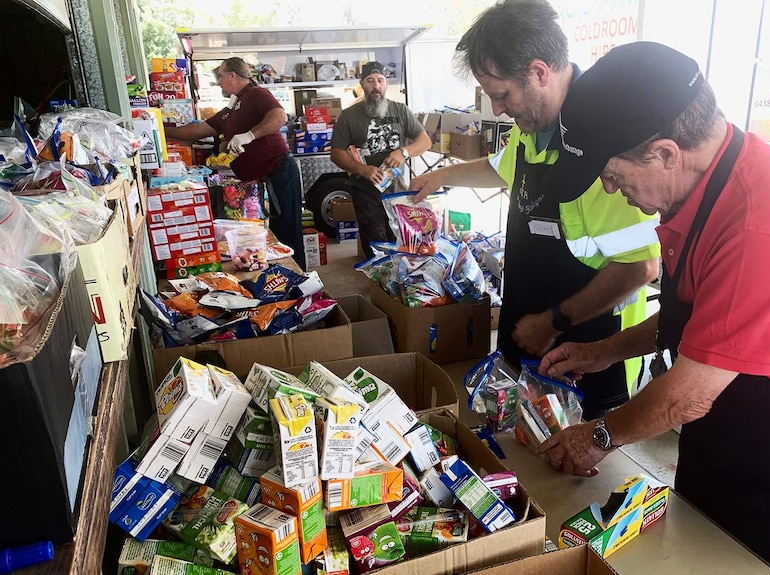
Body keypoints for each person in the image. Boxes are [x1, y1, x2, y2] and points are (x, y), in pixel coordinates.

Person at [536, 41, 770, 574]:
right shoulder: (705, 185)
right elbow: (698, 322)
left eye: (614, 175)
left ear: (665, 153)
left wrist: (598, 436)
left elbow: (684, 398)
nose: (609, 189)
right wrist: (605, 351)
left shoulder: (763, 226)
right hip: (730, 413)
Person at [410, 0, 660, 418]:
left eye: (502, 95)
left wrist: (553, 322)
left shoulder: (603, 146)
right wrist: (441, 176)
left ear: (540, 73)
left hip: (586, 361)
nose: (497, 110)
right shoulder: (535, 128)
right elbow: (499, 167)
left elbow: (640, 267)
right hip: (527, 341)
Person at [164, 57, 305, 269]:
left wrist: (249, 135)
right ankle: (277, 277)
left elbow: (279, 116)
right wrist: (160, 127)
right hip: (259, 180)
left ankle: (299, 282)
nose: (218, 82)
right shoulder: (231, 107)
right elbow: (196, 131)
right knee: (269, 236)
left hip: (279, 172)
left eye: (220, 76)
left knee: (286, 231)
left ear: (232, 76)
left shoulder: (255, 94)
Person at [330, 61, 432, 258]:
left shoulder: (400, 110)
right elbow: (336, 153)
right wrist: (362, 169)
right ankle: (378, 285)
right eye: (370, 81)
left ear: (386, 83)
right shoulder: (349, 116)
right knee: (376, 245)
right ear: (362, 84)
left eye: (380, 80)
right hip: (366, 191)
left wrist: (403, 151)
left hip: (397, 191)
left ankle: (397, 284)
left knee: (402, 241)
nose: (376, 86)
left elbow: (424, 141)